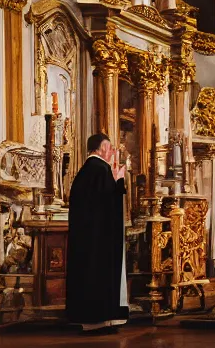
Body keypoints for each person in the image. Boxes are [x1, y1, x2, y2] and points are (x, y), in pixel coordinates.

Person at [65, 133, 128, 334]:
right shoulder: (102, 170)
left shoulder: (84, 172)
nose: (112, 153)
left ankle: (86, 318)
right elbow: (111, 206)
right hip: (101, 243)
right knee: (99, 275)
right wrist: (119, 181)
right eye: (110, 148)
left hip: (86, 240)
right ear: (101, 148)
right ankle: (101, 318)